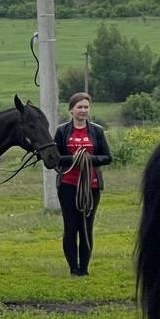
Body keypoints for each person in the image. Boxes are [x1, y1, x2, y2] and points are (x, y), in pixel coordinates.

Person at [53, 92, 111, 277]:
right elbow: (56, 158)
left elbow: (107, 157)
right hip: (68, 186)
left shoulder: (96, 131)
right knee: (71, 227)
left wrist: (90, 159)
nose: (83, 110)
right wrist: (73, 159)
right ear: (71, 110)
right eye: (80, 107)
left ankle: (84, 269)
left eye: (86, 107)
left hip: (91, 187)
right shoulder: (62, 131)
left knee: (86, 226)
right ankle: (73, 268)